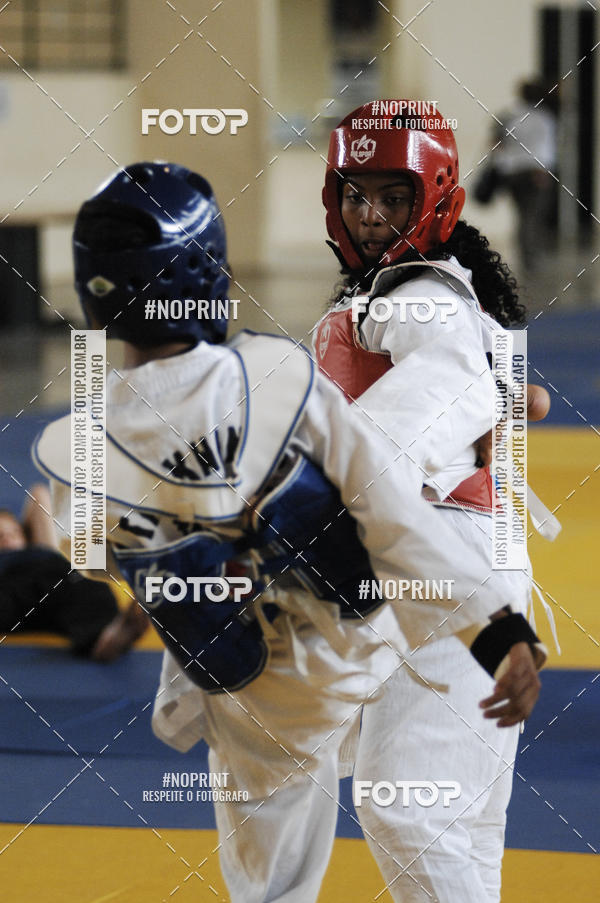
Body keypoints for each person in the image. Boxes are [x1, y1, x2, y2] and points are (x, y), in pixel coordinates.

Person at [33, 162, 544, 903]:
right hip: (332, 644)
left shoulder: (77, 444)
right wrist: (494, 628)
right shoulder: (275, 379)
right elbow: (390, 508)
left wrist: (176, 556)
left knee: (290, 875)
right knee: (411, 811)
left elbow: (90, 553)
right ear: (211, 276)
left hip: (246, 689)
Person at [317, 101, 555, 903]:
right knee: (459, 824)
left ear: (437, 197)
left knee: (409, 810)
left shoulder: (420, 294)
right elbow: (480, 392)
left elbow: (445, 389)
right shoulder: (408, 292)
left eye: (394, 196)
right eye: (355, 194)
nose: (370, 214)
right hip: (453, 560)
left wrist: (322, 504)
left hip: (443, 564)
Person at [0, 484, 147, 660]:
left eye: (15, 532)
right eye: (0, 535)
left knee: (87, 585)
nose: (8, 537)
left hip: (56, 578)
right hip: (11, 582)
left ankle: (108, 637)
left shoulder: (43, 549)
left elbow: (39, 494)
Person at [492, 79, 557, 273]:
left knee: (522, 215)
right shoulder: (544, 118)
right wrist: (543, 171)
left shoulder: (509, 116)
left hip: (513, 172)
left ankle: (527, 256)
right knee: (532, 216)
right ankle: (531, 258)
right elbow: (546, 148)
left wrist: (503, 167)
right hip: (535, 172)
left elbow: (497, 145)